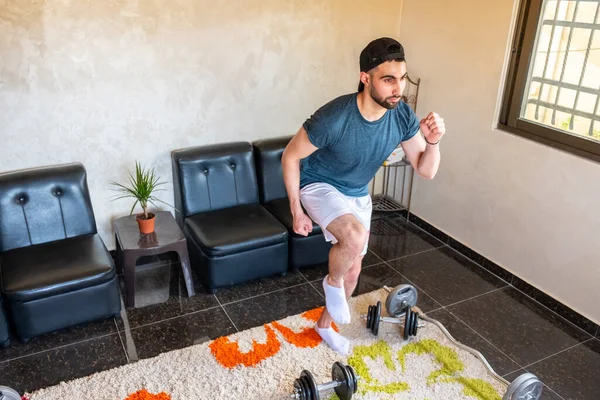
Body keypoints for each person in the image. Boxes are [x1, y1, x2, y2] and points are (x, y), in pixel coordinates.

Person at [281, 37, 446, 354]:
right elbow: (290, 156)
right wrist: (296, 211)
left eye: (401, 78)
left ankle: (324, 326)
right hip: (318, 184)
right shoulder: (334, 117)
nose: (398, 88)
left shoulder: (401, 116)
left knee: (354, 268)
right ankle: (331, 284)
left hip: (356, 193)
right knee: (353, 238)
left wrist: (435, 141)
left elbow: (425, 170)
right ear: (365, 78)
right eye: (388, 80)